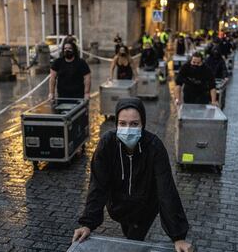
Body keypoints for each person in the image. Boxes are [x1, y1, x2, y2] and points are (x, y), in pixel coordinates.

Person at [72, 98, 192, 252]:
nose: (128, 129)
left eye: (134, 124)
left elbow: (166, 190)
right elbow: (97, 185)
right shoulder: (107, 144)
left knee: (134, 241)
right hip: (118, 207)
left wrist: (178, 236)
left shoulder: (155, 147)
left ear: (143, 124)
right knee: (129, 235)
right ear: (116, 124)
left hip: (145, 208)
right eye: (122, 123)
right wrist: (87, 224)